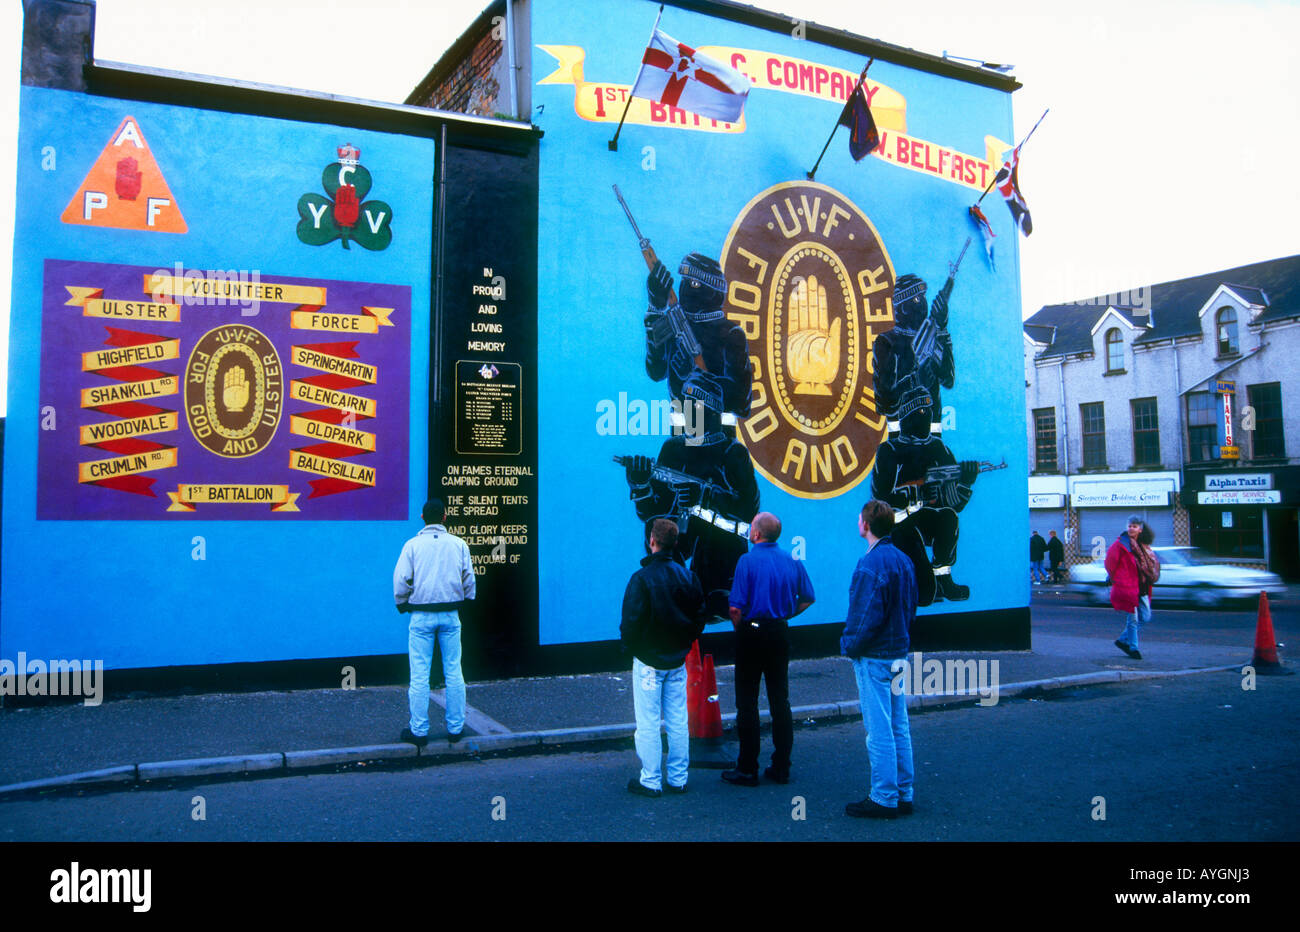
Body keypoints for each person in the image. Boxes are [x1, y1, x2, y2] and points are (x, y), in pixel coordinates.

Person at [722, 511, 815, 787]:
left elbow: (735, 608)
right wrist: (785, 614)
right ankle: (781, 767)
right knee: (780, 701)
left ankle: (748, 767)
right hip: (779, 633)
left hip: (752, 633)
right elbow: (808, 598)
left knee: (747, 703)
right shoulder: (792, 560)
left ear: (756, 533)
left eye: (751, 527)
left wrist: (742, 630)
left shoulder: (747, 561)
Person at [620, 518, 709, 797]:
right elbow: (699, 619)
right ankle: (679, 778)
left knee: (647, 722)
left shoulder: (641, 579)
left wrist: (635, 649)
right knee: (678, 719)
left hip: (648, 660)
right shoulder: (688, 576)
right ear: (675, 542)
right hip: (677, 659)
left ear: (652, 541)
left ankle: (651, 780)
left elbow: (630, 623)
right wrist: (683, 643)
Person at [869, 384, 981, 605]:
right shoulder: (890, 451)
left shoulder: (939, 449)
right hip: (900, 525)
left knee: (948, 518)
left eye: (928, 411)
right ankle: (924, 584)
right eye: (920, 412)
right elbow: (880, 499)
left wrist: (966, 483)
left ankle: (944, 579)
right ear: (908, 416)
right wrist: (916, 495)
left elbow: (953, 504)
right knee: (922, 593)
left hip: (928, 521)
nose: (926, 416)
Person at [842, 500, 918, 819]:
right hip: (900, 652)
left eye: (860, 519)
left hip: (875, 657)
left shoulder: (869, 565)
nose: (858, 522)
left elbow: (864, 617)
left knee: (878, 729)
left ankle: (883, 796)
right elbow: (912, 605)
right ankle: (904, 792)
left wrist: (849, 644)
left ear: (866, 525)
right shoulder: (903, 560)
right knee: (899, 725)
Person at [393, 498, 476, 746]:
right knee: (454, 670)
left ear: (422, 518)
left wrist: (403, 603)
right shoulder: (459, 544)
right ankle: (456, 728)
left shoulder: (412, 545)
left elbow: (401, 580)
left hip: (421, 615)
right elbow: (468, 579)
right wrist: (467, 600)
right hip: (451, 614)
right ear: (444, 517)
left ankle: (419, 731)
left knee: (419, 673)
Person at [1105, 515, 1157, 660]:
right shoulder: (1120, 544)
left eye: (1134, 526)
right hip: (1128, 587)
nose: (1131, 529)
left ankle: (1122, 640)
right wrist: (1117, 578)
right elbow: (1110, 562)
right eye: (1129, 526)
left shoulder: (1143, 545)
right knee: (1133, 620)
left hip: (1143, 587)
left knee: (1145, 617)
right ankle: (1133, 648)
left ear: (1140, 529)